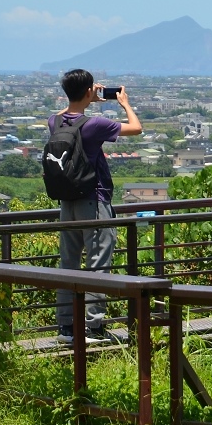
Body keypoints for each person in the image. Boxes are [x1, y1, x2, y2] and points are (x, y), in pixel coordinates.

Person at [49, 68, 142, 342]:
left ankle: (66, 327)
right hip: (94, 200)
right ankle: (93, 327)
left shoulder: (54, 121)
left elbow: (69, 113)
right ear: (90, 91)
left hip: (67, 202)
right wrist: (124, 103)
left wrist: (86, 98)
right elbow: (136, 128)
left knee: (68, 262)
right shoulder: (95, 124)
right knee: (98, 262)